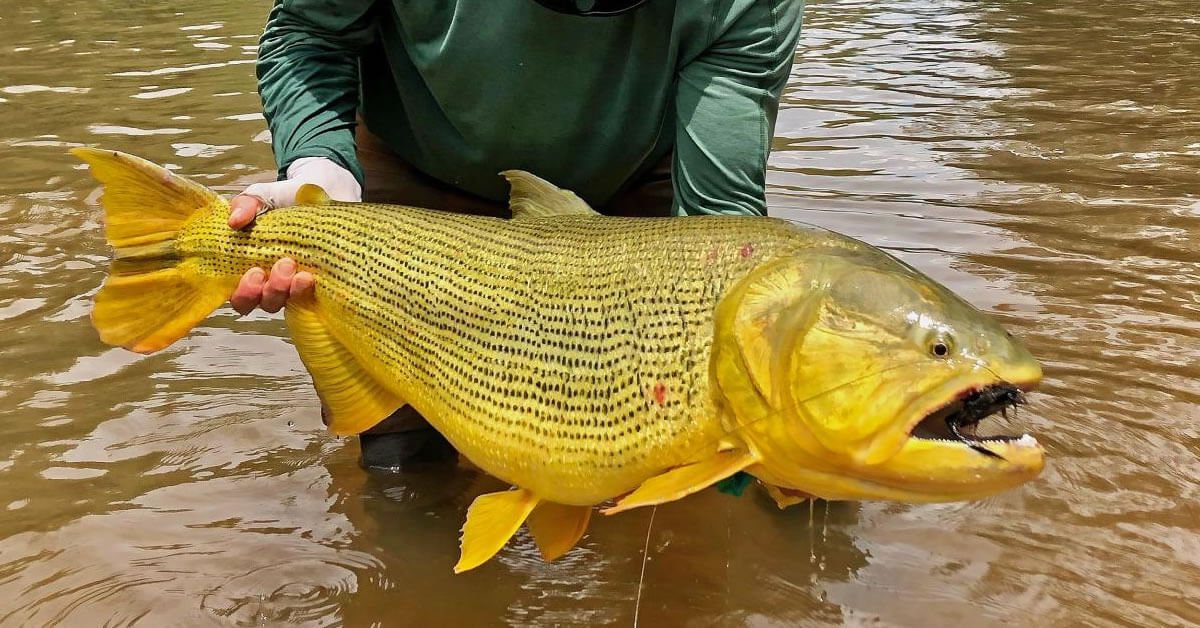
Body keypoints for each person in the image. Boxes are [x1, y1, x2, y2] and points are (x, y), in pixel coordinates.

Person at [228, 0, 805, 471]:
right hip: (413, 170)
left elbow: (717, 225)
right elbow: (309, 34)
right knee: (402, 464)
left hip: (634, 188)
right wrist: (319, 171)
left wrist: (771, 447)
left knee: (689, 445)